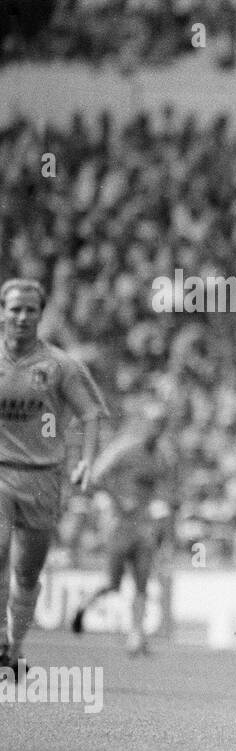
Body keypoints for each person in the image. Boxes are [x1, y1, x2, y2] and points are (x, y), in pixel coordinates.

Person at [0, 278, 108, 677]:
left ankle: (14, 648)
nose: (22, 316)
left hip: (44, 477)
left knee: (27, 573)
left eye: (30, 310)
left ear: (41, 315)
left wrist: (87, 460)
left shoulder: (60, 366)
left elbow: (92, 414)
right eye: (14, 308)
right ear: (2, 311)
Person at [71, 404, 175, 654]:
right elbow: (95, 477)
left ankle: (136, 637)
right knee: (113, 584)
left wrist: (159, 512)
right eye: (154, 424)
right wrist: (118, 501)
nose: (157, 430)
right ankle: (85, 604)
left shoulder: (162, 456)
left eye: (161, 425)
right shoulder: (125, 449)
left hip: (143, 525)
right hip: (118, 524)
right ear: (145, 424)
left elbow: (163, 489)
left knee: (142, 581)